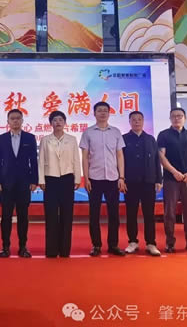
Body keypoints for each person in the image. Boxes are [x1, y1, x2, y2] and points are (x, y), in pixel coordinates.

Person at [79, 101, 126, 257]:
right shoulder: (88, 133)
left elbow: (120, 155)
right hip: (94, 178)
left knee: (114, 214)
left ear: (109, 113)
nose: (102, 113)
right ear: (94, 113)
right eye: (99, 110)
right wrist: (86, 178)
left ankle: (113, 245)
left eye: (105, 110)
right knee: (94, 214)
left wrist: (121, 177)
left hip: (113, 178)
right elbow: (85, 157)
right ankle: (96, 245)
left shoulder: (116, 132)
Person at [157, 107, 187, 253]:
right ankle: (170, 243)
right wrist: (174, 172)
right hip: (170, 179)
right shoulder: (164, 135)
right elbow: (161, 156)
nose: (176, 118)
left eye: (179, 116)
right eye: (173, 116)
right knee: (169, 212)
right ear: (170, 118)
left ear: (184, 118)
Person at [0, 109, 38, 258]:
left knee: (23, 217)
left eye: (18, 118)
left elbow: (34, 161)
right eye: (12, 118)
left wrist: (34, 180)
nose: (15, 121)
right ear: (8, 121)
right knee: (6, 217)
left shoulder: (30, 138)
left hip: (24, 184)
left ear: (22, 120)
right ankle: (5, 247)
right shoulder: (1, 139)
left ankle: (23, 247)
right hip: (6, 184)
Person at [38, 111, 81, 258]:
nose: (58, 122)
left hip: (67, 179)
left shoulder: (72, 139)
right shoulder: (45, 140)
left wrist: (77, 178)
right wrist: (41, 180)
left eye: (60, 120)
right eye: (55, 120)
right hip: (50, 179)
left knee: (66, 215)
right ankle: (51, 250)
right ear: (51, 123)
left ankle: (64, 250)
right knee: (51, 215)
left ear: (65, 122)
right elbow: (41, 161)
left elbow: (76, 159)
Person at [122, 111, 162, 257]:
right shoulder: (124, 139)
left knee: (149, 214)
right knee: (131, 213)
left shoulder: (151, 139)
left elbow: (157, 161)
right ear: (129, 122)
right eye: (134, 119)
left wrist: (159, 180)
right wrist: (121, 179)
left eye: (139, 119)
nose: (137, 122)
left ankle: (151, 243)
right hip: (130, 182)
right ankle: (133, 241)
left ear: (143, 121)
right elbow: (120, 161)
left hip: (148, 182)